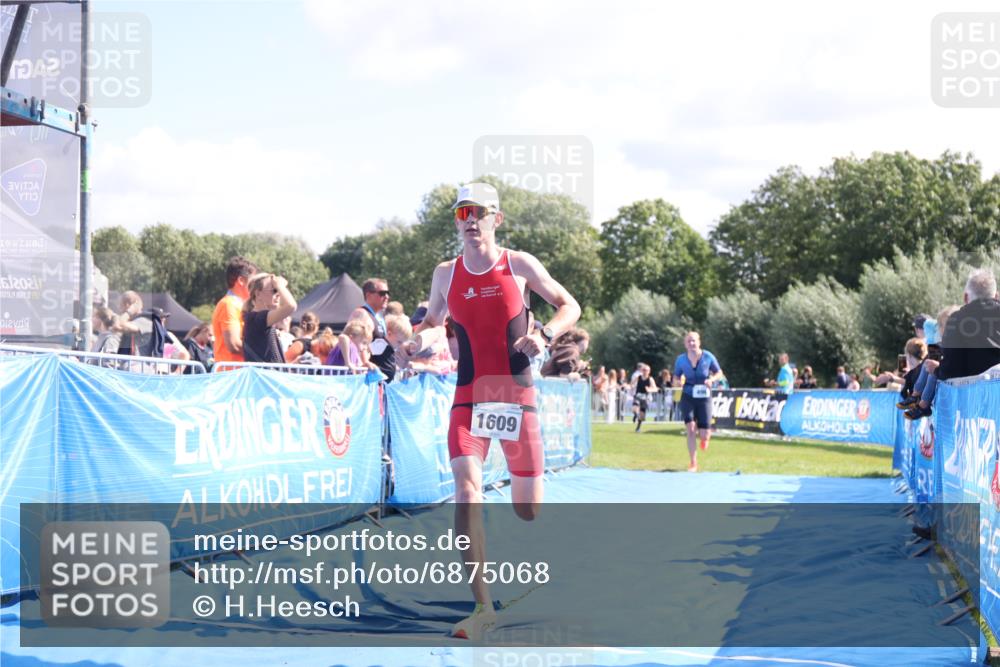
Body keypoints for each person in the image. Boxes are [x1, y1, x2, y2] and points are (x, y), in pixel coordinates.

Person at [416, 182, 580, 639]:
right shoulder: (446, 274)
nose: (470, 220)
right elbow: (432, 323)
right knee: (468, 491)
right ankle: (483, 606)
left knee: (527, 510)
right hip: (468, 396)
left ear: (496, 219)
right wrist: (417, 339)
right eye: (462, 213)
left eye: (479, 212)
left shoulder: (519, 264)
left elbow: (571, 305)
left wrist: (545, 334)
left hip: (516, 397)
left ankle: (517, 502)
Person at [673, 331, 724, 472]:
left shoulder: (708, 356)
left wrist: (711, 379)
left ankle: (705, 437)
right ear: (685, 344)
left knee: (704, 434)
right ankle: (693, 463)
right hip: (688, 395)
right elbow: (676, 377)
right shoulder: (681, 360)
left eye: (694, 341)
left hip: (704, 397)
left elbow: (719, 373)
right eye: (688, 341)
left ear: (699, 342)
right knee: (690, 428)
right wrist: (678, 382)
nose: (691, 344)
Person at [936, 269, 1000, 381]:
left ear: (965, 297)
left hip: (973, 394)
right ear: (996, 295)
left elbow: (950, 370)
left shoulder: (956, 319)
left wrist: (936, 370)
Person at [212, 256, 259, 368]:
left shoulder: (240, 305)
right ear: (241, 280)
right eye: (254, 281)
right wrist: (261, 353)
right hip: (231, 377)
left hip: (240, 375)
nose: (257, 286)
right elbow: (233, 344)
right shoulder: (228, 304)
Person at [242, 273, 297, 363]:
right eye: (275, 290)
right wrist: (280, 285)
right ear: (258, 294)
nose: (278, 294)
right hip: (264, 376)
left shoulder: (256, 318)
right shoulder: (256, 319)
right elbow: (291, 306)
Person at [349, 278, 395, 379]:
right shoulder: (361, 314)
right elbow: (356, 343)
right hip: (370, 381)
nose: (387, 297)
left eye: (388, 293)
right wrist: (365, 362)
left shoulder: (378, 317)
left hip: (380, 381)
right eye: (382, 293)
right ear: (369, 295)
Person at [631, 363, 658, 432]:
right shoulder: (639, 377)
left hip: (646, 398)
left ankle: (638, 427)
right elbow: (632, 384)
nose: (645, 371)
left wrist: (649, 389)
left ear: (649, 371)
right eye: (643, 370)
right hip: (638, 395)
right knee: (634, 408)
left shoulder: (650, 379)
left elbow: (655, 388)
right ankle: (636, 415)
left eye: (646, 370)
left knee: (642, 415)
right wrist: (631, 386)